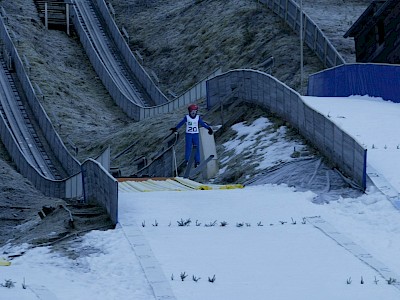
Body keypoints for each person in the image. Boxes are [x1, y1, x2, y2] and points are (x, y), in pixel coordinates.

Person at [171, 104, 213, 168]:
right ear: (189, 111)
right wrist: (175, 128)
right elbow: (181, 123)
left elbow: (202, 124)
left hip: (195, 134)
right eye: (192, 111)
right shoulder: (187, 117)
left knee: (196, 148)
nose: (193, 112)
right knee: (188, 147)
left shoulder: (198, 117)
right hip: (189, 134)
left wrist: (208, 128)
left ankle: (197, 162)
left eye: (195, 111)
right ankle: (187, 160)